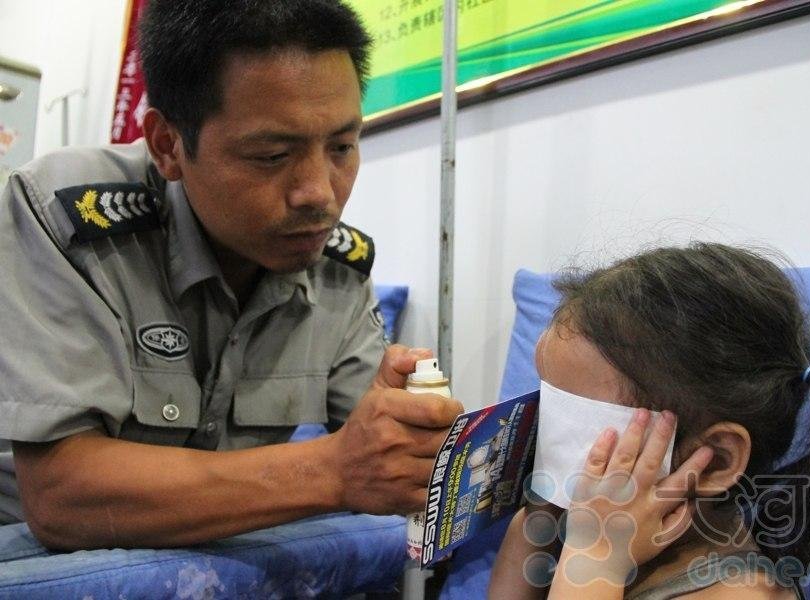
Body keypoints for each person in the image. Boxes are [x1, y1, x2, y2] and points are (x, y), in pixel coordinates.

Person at [0, 0, 463, 550]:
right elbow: (61, 497)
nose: (319, 194)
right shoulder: (65, 219)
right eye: (270, 155)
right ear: (168, 145)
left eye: (342, 146)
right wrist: (331, 470)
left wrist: (404, 434)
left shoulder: (332, 267)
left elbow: (376, 446)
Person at [489, 243, 810, 599]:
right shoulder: (594, 527)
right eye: (549, 410)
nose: (549, 438)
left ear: (715, 462)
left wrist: (596, 560)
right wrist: (540, 516)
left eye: (576, 426)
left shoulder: (738, 594)